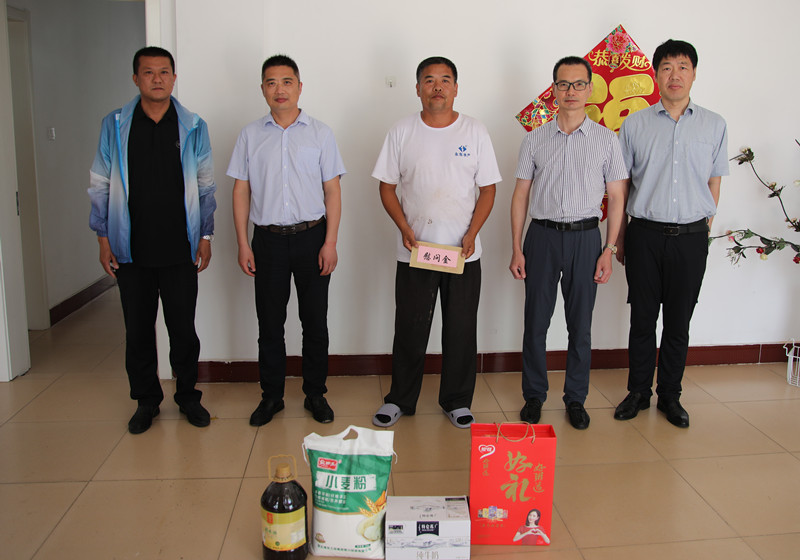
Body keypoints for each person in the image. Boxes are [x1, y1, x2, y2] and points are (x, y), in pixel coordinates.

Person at [88, 46, 217, 434]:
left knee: (183, 330)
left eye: (164, 72)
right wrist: (103, 237)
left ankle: (188, 397)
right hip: (130, 248)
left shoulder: (193, 125)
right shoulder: (115, 125)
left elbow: (205, 185)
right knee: (138, 330)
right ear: (136, 78)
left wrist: (206, 235)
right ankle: (146, 401)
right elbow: (100, 183)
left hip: (181, 247)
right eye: (148, 72)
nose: (157, 79)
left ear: (174, 78)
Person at [371, 56, 501, 429]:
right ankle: (400, 399)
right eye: (429, 80)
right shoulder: (402, 131)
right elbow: (387, 187)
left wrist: (472, 233)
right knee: (410, 327)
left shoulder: (474, 131)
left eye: (445, 79)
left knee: (460, 329)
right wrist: (403, 227)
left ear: (456, 88)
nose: (437, 86)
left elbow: (488, 189)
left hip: (462, 253)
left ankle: (457, 401)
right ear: (418, 89)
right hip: (416, 250)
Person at [613, 40, 728, 428]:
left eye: (682, 66)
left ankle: (670, 396)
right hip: (644, 235)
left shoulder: (714, 124)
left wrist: (703, 228)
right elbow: (622, 185)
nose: (674, 74)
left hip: (691, 238)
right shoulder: (635, 124)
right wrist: (620, 237)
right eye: (666, 67)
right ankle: (638, 392)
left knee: (679, 322)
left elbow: (714, 182)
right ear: (656, 75)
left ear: (693, 73)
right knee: (643, 319)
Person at [509, 56, 628, 430]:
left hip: (586, 239)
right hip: (541, 237)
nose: (571, 91)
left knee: (581, 325)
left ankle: (576, 398)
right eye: (563, 84)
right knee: (535, 322)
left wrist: (609, 249)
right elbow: (520, 195)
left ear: (590, 89)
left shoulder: (607, 141)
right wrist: (517, 247)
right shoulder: (535, 139)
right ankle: (534, 395)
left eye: (578, 84)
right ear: (554, 90)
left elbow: (617, 197)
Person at [228, 55, 345, 426]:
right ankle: (271, 397)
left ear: (299, 86)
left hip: (313, 238)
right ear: (263, 89)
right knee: (270, 323)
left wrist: (330, 242)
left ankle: (315, 394)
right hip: (268, 242)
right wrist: (243, 243)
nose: (279, 89)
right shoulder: (250, 135)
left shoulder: (320, 133)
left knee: (315, 322)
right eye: (271, 82)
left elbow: (332, 190)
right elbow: (241, 190)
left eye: (287, 81)